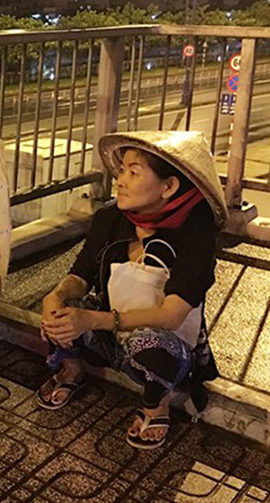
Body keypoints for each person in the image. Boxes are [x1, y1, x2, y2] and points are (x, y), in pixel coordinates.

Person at [38, 131, 223, 450]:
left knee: (151, 346)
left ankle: (156, 405)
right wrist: (55, 296)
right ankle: (72, 370)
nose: (120, 180)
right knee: (60, 313)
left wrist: (92, 320)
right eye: (122, 170)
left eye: (133, 173)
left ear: (169, 187)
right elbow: (80, 275)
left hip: (166, 344)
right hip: (110, 331)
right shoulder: (109, 218)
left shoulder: (196, 233)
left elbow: (171, 315)